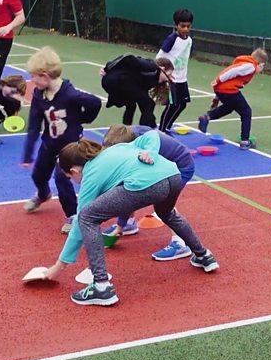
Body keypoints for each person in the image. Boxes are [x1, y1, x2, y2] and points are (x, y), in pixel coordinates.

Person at [41, 132, 218, 306]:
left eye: (70, 178)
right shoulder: (116, 149)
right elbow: (152, 136)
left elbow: (81, 221)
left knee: (87, 217)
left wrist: (59, 266)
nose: (73, 180)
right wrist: (151, 152)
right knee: (167, 213)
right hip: (173, 175)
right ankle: (204, 256)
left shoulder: (90, 175)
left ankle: (101, 286)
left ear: (74, 170)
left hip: (148, 183)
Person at [21, 47, 102, 233]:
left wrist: (84, 119)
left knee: (61, 177)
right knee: (38, 175)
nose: (32, 80)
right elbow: (34, 124)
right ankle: (43, 194)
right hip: (49, 143)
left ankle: (73, 215)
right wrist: (27, 153)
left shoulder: (70, 94)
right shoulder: (38, 94)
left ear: (45, 76)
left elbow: (95, 102)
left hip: (69, 147)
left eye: (34, 76)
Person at [101, 124, 194, 261]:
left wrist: (119, 224)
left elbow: (129, 187)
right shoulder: (123, 135)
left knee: (164, 204)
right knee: (133, 187)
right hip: (168, 160)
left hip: (181, 166)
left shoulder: (142, 150)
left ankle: (180, 243)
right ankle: (129, 223)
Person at [197, 48, 267, 150]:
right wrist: (218, 80)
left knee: (228, 107)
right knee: (246, 112)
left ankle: (207, 117)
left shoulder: (246, 63)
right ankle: (245, 141)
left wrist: (216, 98)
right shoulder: (250, 66)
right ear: (261, 63)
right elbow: (232, 72)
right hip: (228, 90)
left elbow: (229, 78)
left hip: (222, 90)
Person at [100, 54, 173, 128]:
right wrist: (107, 68)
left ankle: (126, 129)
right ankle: (146, 131)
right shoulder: (152, 67)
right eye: (169, 75)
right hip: (115, 82)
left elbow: (142, 102)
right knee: (148, 103)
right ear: (163, 69)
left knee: (132, 104)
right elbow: (128, 57)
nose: (169, 78)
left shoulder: (153, 80)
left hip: (120, 84)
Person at [157, 9, 194, 133]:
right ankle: (161, 132)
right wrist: (164, 73)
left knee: (182, 104)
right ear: (176, 25)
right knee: (172, 105)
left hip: (182, 78)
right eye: (182, 26)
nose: (185, 29)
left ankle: (167, 127)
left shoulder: (189, 40)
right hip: (171, 79)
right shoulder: (172, 39)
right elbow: (159, 57)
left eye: (188, 26)